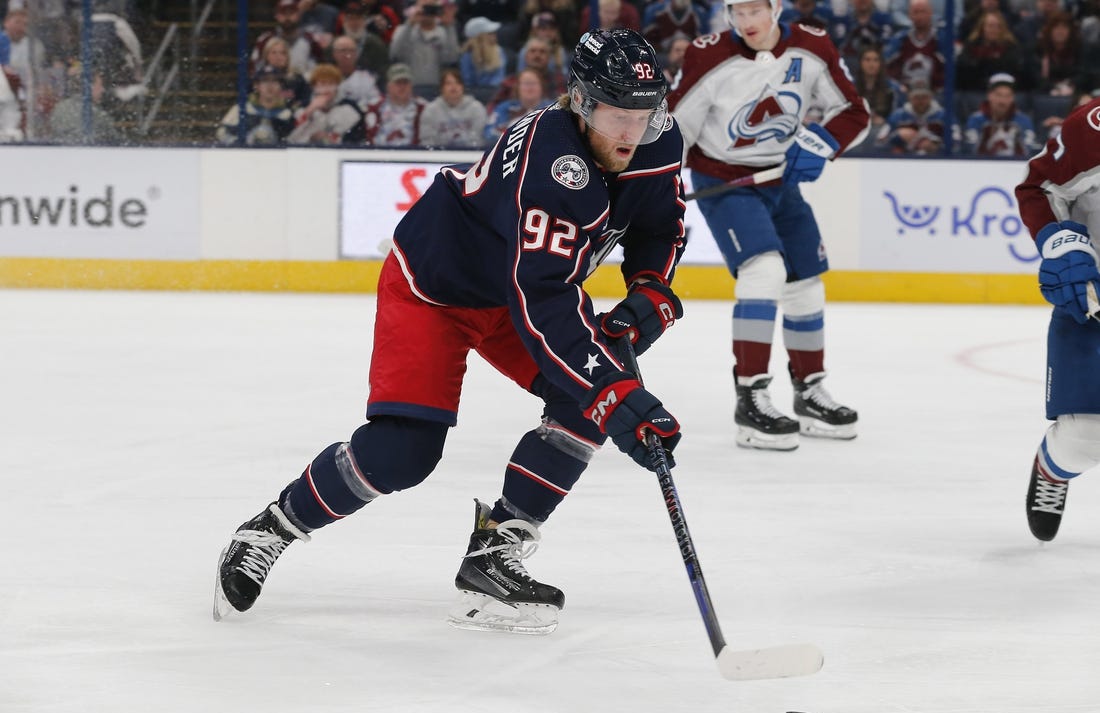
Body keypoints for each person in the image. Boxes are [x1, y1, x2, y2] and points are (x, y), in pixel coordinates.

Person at [213, 28, 686, 634]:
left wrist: (650, 290)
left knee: (586, 402)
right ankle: (274, 527)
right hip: (434, 288)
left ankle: (495, 554)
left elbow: (660, 223)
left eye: (643, 115)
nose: (631, 132)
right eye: (618, 115)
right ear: (582, 102)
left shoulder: (655, 135)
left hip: (513, 292)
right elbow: (541, 300)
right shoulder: (554, 166)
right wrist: (615, 390)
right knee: (402, 453)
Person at [667, 0, 869, 451]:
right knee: (764, 272)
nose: (746, 22)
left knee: (805, 284)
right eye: (736, 11)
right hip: (724, 180)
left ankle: (809, 390)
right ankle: (751, 396)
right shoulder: (707, 54)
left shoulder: (812, 46)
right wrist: (654, 187)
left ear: (776, 8)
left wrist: (821, 141)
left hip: (781, 178)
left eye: (755, 9)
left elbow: (855, 111)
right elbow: (673, 129)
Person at [1014, 94, 1100, 542]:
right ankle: (1052, 468)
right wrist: (1064, 242)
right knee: (1087, 434)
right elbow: (1039, 188)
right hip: (1094, 304)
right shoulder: (1093, 125)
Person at [215, 63, 296, 145]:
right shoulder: (241, 109)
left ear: (281, 86)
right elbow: (222, 132)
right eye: (265, 80)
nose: (270, 85)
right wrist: (237, 143)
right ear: (256, 85)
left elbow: (293, 142)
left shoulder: (287, 114)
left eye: (274, 81)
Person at [287, 62, 365, 144]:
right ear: (314, 87)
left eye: (331, 84)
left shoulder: (350, 108)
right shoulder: (302, 107)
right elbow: (288, 138)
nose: (327, 89)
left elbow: (355, 140)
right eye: (323, 84)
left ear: (337, 86)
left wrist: (329, 139)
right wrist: (310, 110)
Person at [388, 0, 461, 87]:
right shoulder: (404, 30)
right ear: (416, 8)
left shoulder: (444, 33)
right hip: (410, 88)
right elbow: (395, 54)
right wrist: (410, 24)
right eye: (425, 7)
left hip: (436, 87)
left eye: (431, 8)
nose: (427, 12)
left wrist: (449, 26)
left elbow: (451, 58)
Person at [963, 72, 1038, 156]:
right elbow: (969, 151)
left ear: (1013, 98)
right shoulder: (976, 119)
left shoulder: (1023, 120)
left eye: (1008, 96)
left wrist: (1018, 144)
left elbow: (1029, 152)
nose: (1002, 101)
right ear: (989, 96)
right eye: (998, 95)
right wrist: (984, 140)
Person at [418, 67, 486, 147]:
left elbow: (479, 139)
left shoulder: (477, 108)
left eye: (457, 83)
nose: (454, 87)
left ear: (463, 87)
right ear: (441, 88)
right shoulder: (430, 110)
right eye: (448, 83)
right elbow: (427, 141)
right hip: (439, 156)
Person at [363, 62, 427, 145]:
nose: (402, 87)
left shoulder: (423, 107)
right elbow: (370, 139)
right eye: (398, 83)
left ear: (411, 85)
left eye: (405, 83)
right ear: (388, 86)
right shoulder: (375, 107)